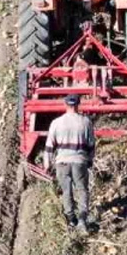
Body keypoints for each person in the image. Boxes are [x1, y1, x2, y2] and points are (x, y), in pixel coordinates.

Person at [43, 94, 96, 232]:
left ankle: (71, 219)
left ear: (65, 105)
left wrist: (47, 163)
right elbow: (91, 145)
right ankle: (82, 219)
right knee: (82, 190)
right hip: (79, 161)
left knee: (67, 191)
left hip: (62, 163)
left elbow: (49, 146)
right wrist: (90, 159)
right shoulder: (86, 122)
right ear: (78, 105)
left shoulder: (56, 123)